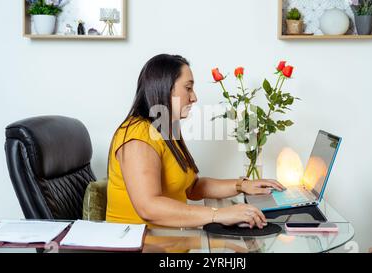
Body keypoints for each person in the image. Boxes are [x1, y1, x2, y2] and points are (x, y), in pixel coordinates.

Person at [106, 54, 286, 229]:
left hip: (168, 237)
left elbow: (192, 187)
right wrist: (219, 215)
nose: (194, 97)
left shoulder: (167, 128)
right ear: (164, 88)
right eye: (188, 88)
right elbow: (148, 207)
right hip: (139, 243)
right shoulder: (137, 136)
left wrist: (242, 185)